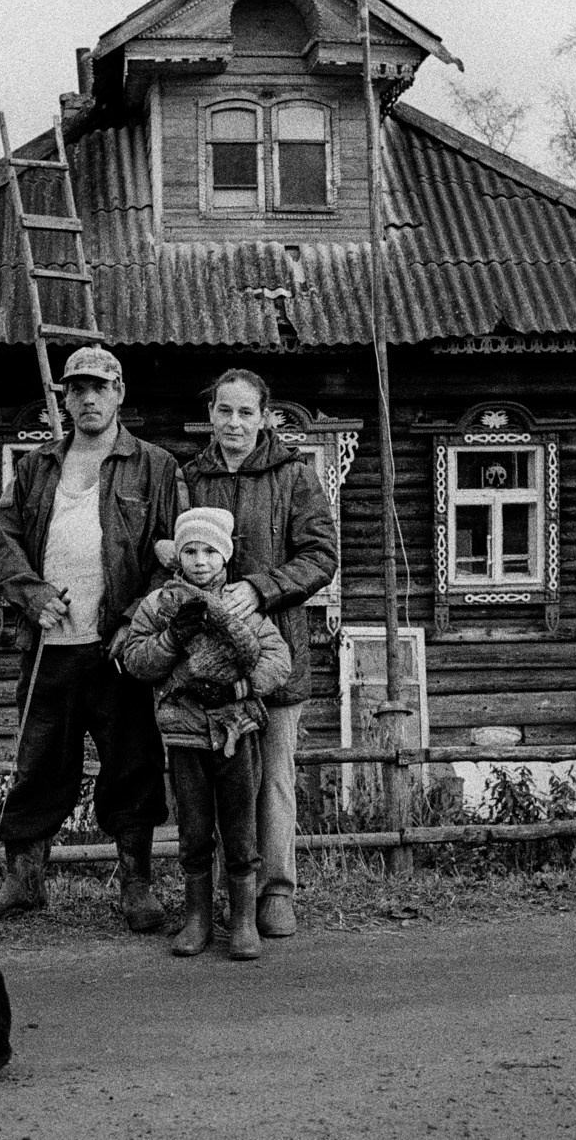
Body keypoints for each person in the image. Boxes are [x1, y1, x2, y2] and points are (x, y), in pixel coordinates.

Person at [0, 345, 186, 931]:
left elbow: (173, 554)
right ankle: (25, 881)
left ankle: (137, 886)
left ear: (120, 392)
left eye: (100, 387)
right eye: (77, 389)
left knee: (132, 765)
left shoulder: (155, 466)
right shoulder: (38, 466)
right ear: (64, 398)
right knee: (37, 762)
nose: (88, 399)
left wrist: (136, 620)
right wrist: (31, 593)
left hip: (117, 648)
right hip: (48, 647)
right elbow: (6, 538)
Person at [182, 369, 337, 938]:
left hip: (277, 658)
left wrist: (260, 588)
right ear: (212, 414)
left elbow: (321, 556)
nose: (234, 424)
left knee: (272, 779)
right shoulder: (190, 477)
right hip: (206, 663)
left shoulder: (294, 476)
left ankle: (276, 891)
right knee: (212, 779)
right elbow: (175, 552)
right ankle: (218, 899)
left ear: (266, 416)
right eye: (224, 411)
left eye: (246, 413)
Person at [113, 507, 291, 960]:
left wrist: (242, 686)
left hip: (236, 729)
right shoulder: (160, 605)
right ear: (178, 557)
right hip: (184, 734)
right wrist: (172, 639)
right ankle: (196, 918)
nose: (201, 561)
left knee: (240, 826)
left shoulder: (238, 604)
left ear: (226, 558)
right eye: (190, 550)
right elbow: (135, 660)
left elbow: (277, 659)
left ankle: (244, 920)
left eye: (211, 551)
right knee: (193, 829)